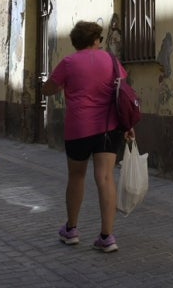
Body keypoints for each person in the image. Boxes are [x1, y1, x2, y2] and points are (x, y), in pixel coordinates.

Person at [40, 19, 134, 253]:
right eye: (100, 39)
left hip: (78, 128)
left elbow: (48, 89)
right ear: (95, 40)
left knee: (76, 176)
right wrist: (129, 125)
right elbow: (123, 90)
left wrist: (56, 85)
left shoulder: (69, 62)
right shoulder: (112, 61)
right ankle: (107, 236)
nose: (101, 42)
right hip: (108, 127)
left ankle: (71, 230)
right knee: (105, 178)